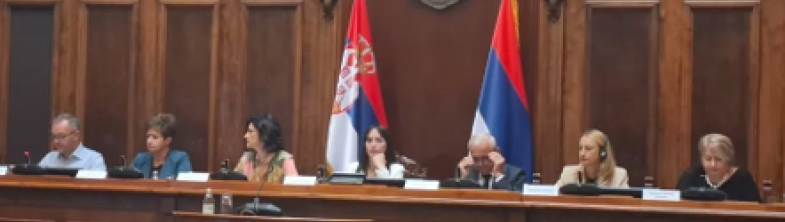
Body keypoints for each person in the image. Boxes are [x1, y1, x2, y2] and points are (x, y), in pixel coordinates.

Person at [676, 134, 761, 202]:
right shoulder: (691, 176)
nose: (713, 164)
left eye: (718, 159)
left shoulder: (742, 179)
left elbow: (755, 210)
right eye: (708, 159)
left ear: (728, 159)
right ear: (701, 159)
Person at [234, 114, 298, 183]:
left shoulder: (284, 159)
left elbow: (295, 189)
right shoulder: (247, 158)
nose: (245, 136)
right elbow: (231, 185)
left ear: (265, 135)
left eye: (250, 131)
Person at [555, 129, 629, 187]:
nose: (582, 153)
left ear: (602, 153)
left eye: (588, 149)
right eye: (580, 148)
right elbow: (552, 196)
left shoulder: (619, 175)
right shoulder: (568, 173)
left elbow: (626, 203)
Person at [457, 133, 526, 191]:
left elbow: (514, 200)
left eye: (485, 158)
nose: (480, 164)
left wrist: (498, 175)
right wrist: (463, 179)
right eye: (476, 159)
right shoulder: (466, 171)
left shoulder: (516, 175)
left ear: (497, 153)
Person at [131, 113, 192, 179]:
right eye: (148, 136)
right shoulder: (140, 159)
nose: (149, 141)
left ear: (167, 141)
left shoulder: (180, 159)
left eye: (155, 137)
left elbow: (184, 185)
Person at [39, 113, 106, 170]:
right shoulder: (49, 158)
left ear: (76, 135)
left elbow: (99, 185)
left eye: (61, 136)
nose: (56, 141)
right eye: (54, 137)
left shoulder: (93, 159)